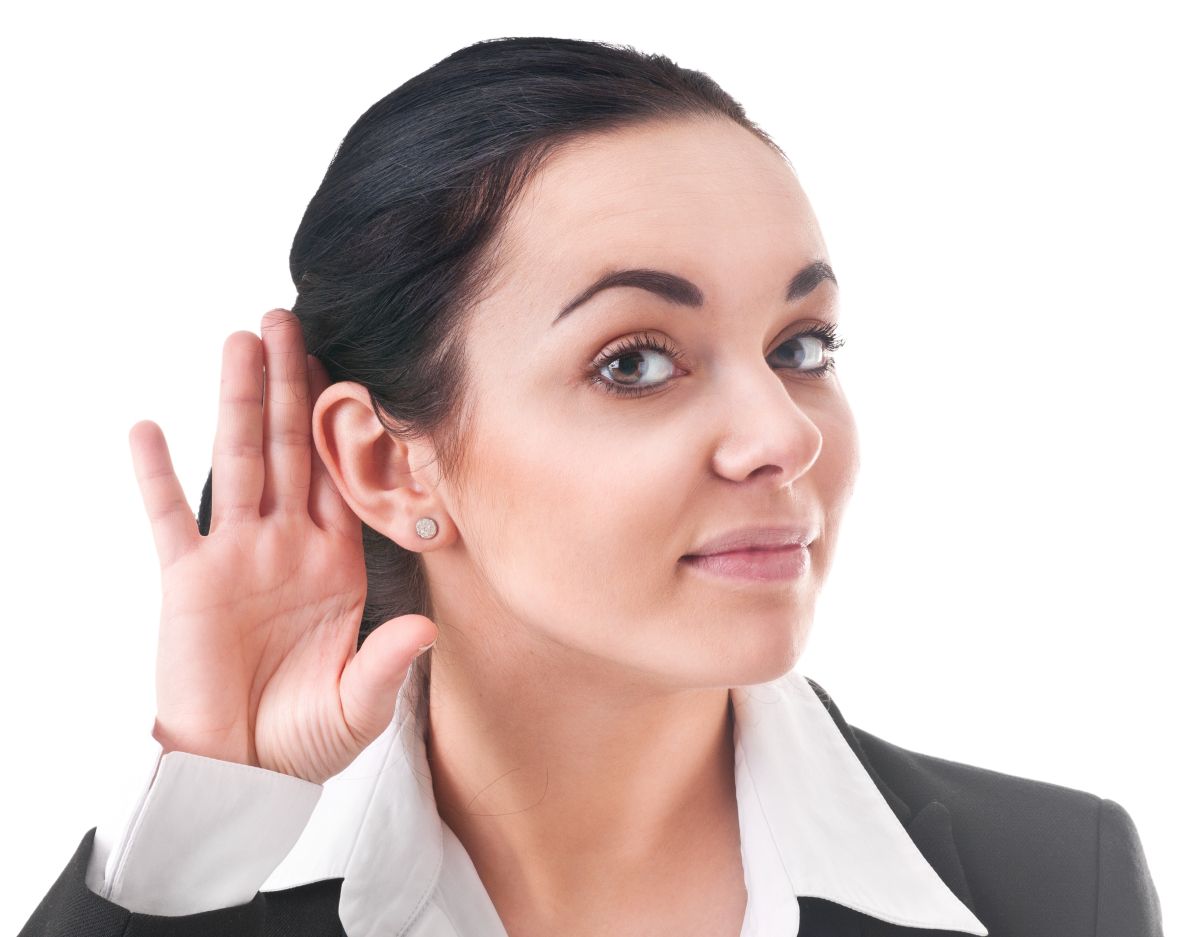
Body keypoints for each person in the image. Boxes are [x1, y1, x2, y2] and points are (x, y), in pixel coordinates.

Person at [19, 36, 1163, 937]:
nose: (782, 435)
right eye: (636, 363)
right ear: (386, 462)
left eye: (801, 346)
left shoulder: (1059, 886)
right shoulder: (206, 899)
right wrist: (204, 810)